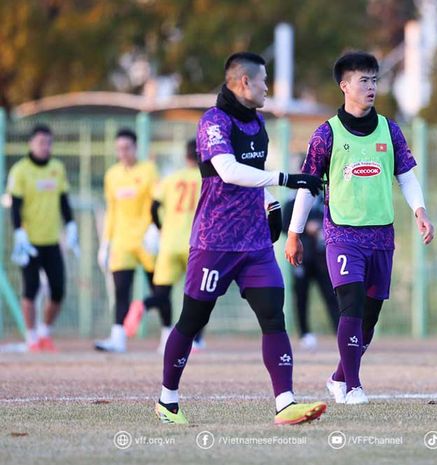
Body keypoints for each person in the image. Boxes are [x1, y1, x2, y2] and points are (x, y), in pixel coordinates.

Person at [155, 51, 326, 426]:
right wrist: (287, 180)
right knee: (192, 319)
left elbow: (255, 172)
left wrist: (270, 206)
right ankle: (167, 401)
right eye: (264, 80)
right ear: (245, 82)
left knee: (273, 317)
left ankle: (285, 402)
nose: (268, 87)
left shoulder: (258, 123)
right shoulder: (213, 121)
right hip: (214, 241)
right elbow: (229, 172)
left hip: (255, 245)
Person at [285, 51, 435, 405]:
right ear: (345, 86)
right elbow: (308, 187)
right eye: (363, 80)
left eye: (374, 80)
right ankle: (353, 386)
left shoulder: (389, 130)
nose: (371, 87)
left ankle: (339, 377)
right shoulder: (326, 135)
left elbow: (406, 177)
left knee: (368, 319)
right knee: (349, 307)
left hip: (382, 236)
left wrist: (420, 211)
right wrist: (293, 233)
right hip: (343, 235)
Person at [122, 138, 205, 353]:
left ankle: (144, 305)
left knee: (161, 292)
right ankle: (194, 340)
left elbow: (154, 206)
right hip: (196, 244)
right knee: (200, 294)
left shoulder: (170, 178)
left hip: (169, 243)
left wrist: (160, 228)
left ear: (185, 156)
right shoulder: (207, 179)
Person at [7, 124, 79, 352]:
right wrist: (18, 231)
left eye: (48, 142)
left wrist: (71, 225)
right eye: (40, 142)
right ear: (31, 143)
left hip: (51, 240)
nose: (44, 147)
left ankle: (44, 332)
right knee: (31, 288)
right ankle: (30, 337)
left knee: (58, 289)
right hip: (29, 241)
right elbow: (15, 205)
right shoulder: (20, 170)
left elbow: (63, 200)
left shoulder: (57, 168)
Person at [94, 128, 165, 353]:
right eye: (119, 149)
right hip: (122, 241)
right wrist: (106, 243)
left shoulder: (149, 170)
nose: (123, 152)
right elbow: (111, 210)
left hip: (146, 240)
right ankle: (117, 338)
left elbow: (157, 202)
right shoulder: (112, 175)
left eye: (127, 148)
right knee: (121, 289)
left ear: (135, 148)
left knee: (160, 287)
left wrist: (155, 229)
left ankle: (167, 336)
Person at [282, 192, 339, 350]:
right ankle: (304, 333)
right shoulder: (292, 201)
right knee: (301, 297)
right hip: (301, 259)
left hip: (323, 258)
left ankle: (340, 331)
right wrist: (306, 227)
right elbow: (284, 225)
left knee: (331, 295)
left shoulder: (325, 198)